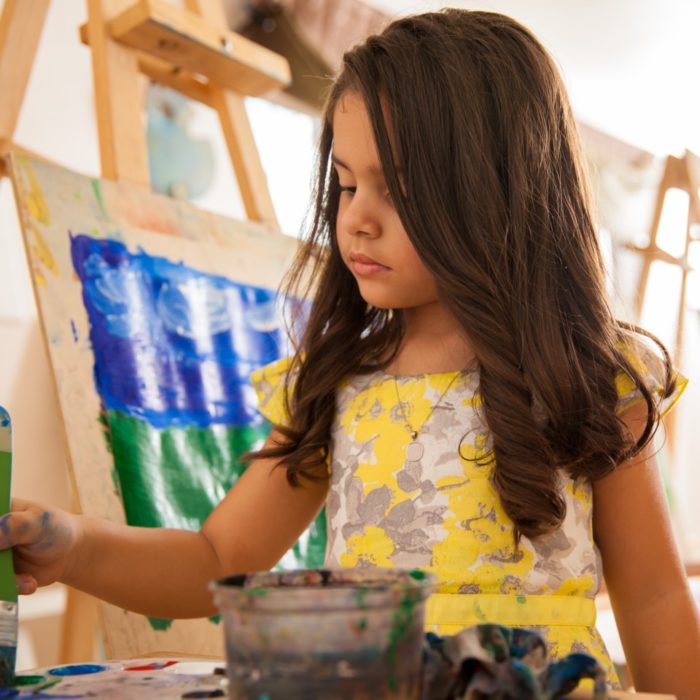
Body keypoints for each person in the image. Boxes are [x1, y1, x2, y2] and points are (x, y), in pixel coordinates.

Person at [3, 9, 699, 698]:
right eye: (345, 184)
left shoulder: (593, 376)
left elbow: (655, 600)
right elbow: (215, 560)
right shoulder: (338, 383)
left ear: (500, 188)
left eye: (395, 189)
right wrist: (78, 546)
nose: (356, 217)